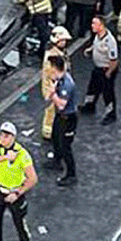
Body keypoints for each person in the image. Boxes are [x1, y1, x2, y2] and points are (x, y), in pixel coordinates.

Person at [44, 53, 78, 186]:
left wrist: (53, 94)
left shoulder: (67, 84)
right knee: (55, 137)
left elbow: (61, 104)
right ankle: (56, 161)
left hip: (68, 118)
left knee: (66, 147)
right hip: (60, 116)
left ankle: (71, 174)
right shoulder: (59, 79)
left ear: (55, 69)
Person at [82, 15, 119, 124]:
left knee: (107, 92)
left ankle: (111, 113)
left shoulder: (110, 41)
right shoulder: (98, 36)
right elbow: (95, 45)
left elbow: (114, 60)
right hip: (98, 67)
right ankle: (89, 105)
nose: (92, 25)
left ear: (101, 26)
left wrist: (109, 72)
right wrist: (90, 50)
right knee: (93, 87)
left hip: (106, 69)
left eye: (94, 23)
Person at [40, 26, 70, 142]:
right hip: (52, 87)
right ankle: (48, 132)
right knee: (51, 109)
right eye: (62, 40)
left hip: (57, 85)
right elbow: (52, 74)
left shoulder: (58, 52)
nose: (64, 43)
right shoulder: (52, 55)